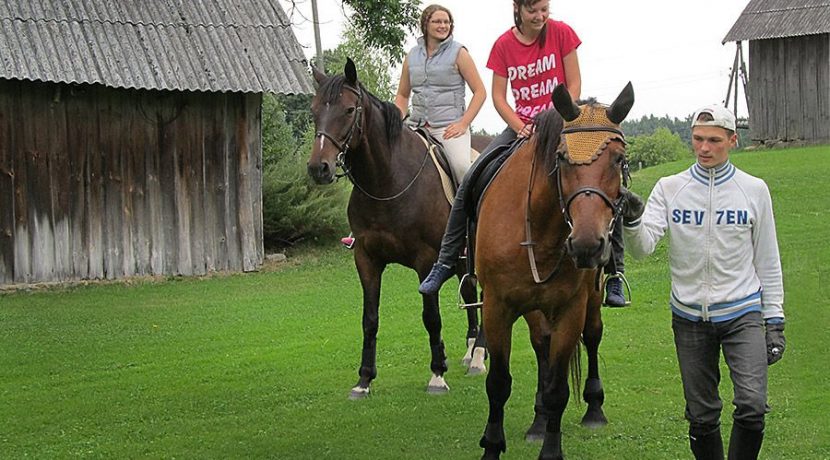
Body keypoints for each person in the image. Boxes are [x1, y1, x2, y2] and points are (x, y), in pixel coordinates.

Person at [419, 0, 629, 306]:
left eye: (545, 9)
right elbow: (499, 97)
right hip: (523, 126)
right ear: (518, 9)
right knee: (472, 179)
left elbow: (573, 83)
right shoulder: (503, 45)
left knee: (606, 182)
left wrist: (560, 117)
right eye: (533, 11)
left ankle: (614, 274)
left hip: (567, 122)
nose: (540, 16)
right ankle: (445, 262)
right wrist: (520, 126)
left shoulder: (562, 33)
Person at [621, 105, 786, 459]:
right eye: (698, 139)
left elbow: (767, 259)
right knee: (701, 415)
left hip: (743, 313)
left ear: (732, 140)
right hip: (689, 318)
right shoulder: (670, 188)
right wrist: (632, 222)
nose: (704, 148)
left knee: (753, 406)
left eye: (714, 140)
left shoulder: (754, 190)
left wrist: (775, 320)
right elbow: (643, 248)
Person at [340, 3, 486, 250]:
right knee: (379, 162)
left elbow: (480, 92)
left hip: (449, 128)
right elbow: (402, 97)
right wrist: (393, 121)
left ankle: (473, 228)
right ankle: (362, 228)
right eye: (437, 21)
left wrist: (463, 123)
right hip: (417, 126)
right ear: (425, 25)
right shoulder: (412, 57)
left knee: (462, 167)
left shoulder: (460, 53)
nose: (443, 26)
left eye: (447, 22)